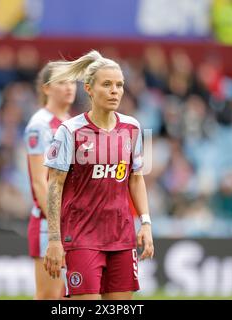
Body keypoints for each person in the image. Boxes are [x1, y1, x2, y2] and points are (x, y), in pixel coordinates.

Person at [43, 50, 154, 300]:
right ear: (89, 89)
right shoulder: (68, 131)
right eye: (107, 84)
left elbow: (136, 178)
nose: (115, 91)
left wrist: (146, 223)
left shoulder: (135, 128)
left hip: (121, 238)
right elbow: (54, 185)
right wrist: (53, 239)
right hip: (82, 237)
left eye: (119, 85)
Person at [24, 62, 77, 299]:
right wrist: (58, 224)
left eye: (72, 82)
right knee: (50, 296)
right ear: (46, 89)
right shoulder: (40, 125)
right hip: (49, 224)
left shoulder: (72, 123)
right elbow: (39, 182)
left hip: (73, 221)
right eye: (62, 82)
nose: (69, 88)